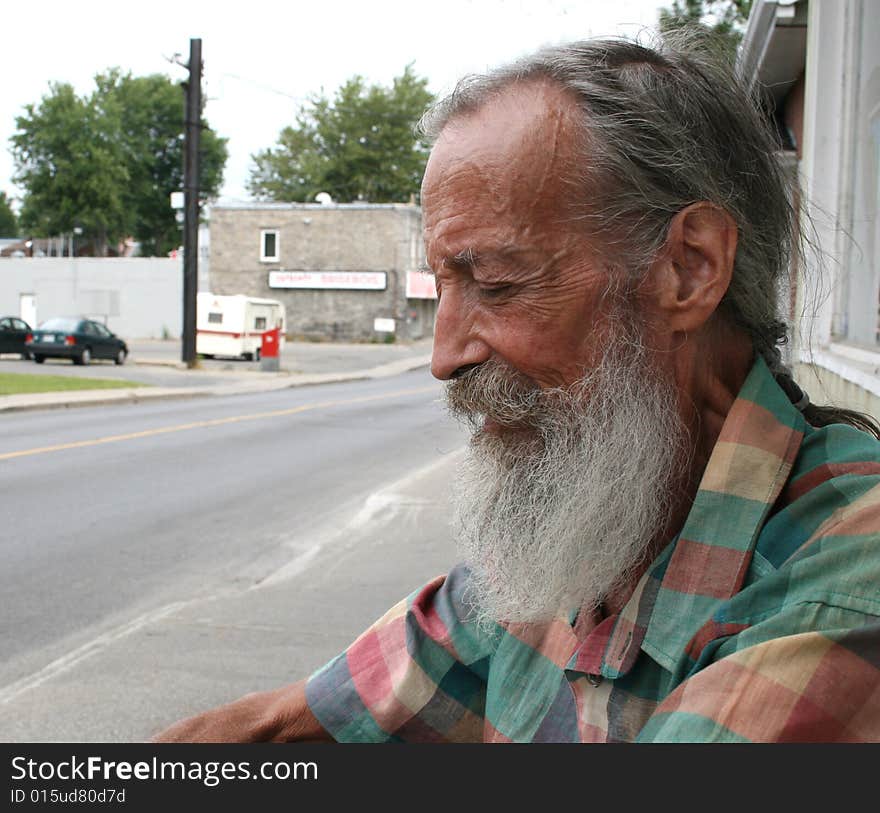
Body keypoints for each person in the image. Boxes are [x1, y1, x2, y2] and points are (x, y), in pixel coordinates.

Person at [154, 33, 880, 743]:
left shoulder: (843, 583)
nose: (443, 357)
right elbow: (290, 724)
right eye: (444, 286)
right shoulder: (585, 521)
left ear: (689, 268)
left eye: (497, 282)